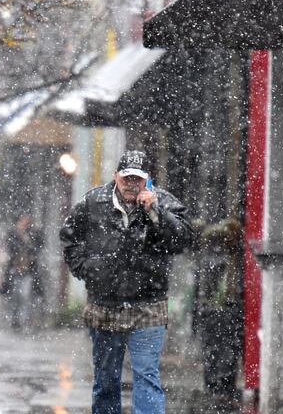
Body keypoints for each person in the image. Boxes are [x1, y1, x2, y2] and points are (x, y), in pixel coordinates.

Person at [60, 150, 193, 413]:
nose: (131, 184)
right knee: (106, 380)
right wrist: (88, 270)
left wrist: (155, 212)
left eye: (138, 179)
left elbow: (183, 239)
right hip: (104, 305)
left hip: (148, 306)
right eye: (126, 178)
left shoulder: (163, 202)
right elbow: (69, 237)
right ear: (115, 177)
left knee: (146, 376)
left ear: (147, 180)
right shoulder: (93, 202)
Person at [1, 213, 45, 329]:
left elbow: (37, 249)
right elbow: (11, 249)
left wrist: (28, 241)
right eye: (22, 221)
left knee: (26, 295)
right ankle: (15, 319)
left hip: (28, 271)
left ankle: (26, 321)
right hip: (15, 270)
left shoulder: (33, 234)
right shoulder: (12, 234)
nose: (24, 224)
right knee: (15, 296)